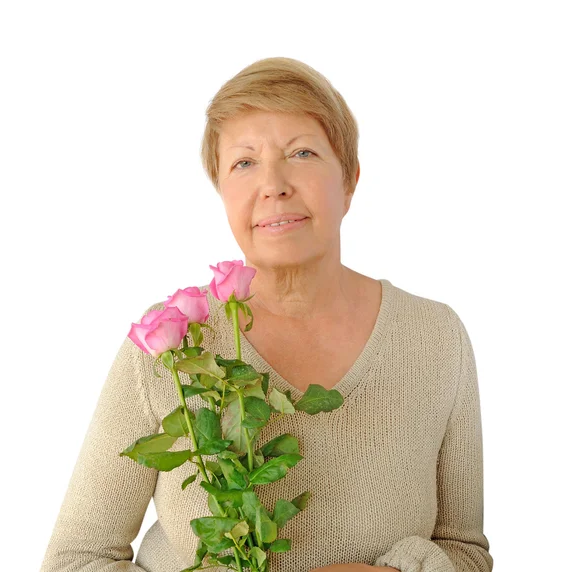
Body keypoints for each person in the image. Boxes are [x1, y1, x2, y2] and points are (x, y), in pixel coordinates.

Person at [41, 56, 493, 572]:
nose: (274, 183)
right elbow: (76, 561)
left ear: (349, 181)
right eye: (244, 162)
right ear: (223, 190)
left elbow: (464, 551)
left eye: (301, 152)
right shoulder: (171, 344)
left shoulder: (435, 339)